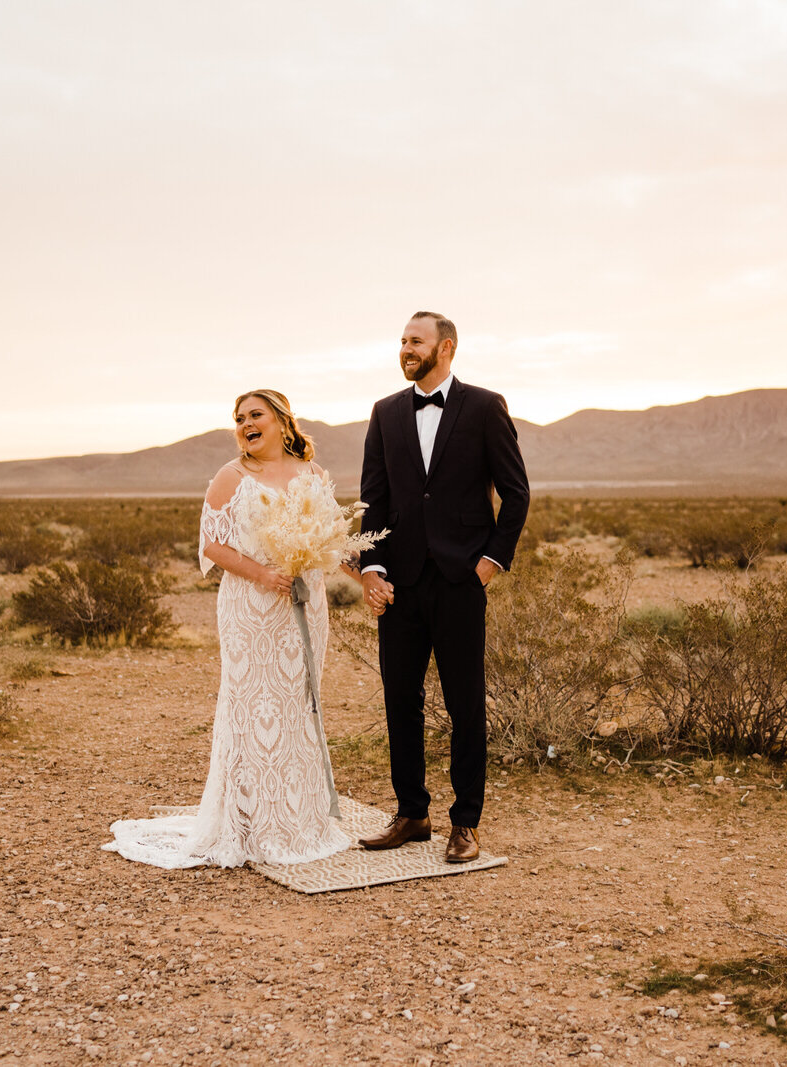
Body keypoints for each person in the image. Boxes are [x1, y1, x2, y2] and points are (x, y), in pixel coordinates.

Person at [101, 390, 353, 868]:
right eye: (239, 419)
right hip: (251, 608)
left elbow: (331, 539)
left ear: (282, 422)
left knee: (300, 702)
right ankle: (250, 821)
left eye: (255, 416)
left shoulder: (313, 475)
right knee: (254, 705)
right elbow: (212, 545)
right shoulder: (231, 476)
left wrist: (349, 573)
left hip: (305, 604)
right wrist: (263, 574)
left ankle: (300, 818)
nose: (245, 425)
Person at [356, 312, 530, 863]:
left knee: (464, 704)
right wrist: (372, 569)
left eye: (416, 341)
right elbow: (373, 501)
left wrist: (490, 562)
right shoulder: (385, 413)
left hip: (459, 582)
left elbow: (516, 493)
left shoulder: (484, 407)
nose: (405, 348)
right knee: (399, 700)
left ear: (446, 347)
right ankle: (412, 813)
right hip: (400, 585)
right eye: (402, 340)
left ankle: (466, 823)